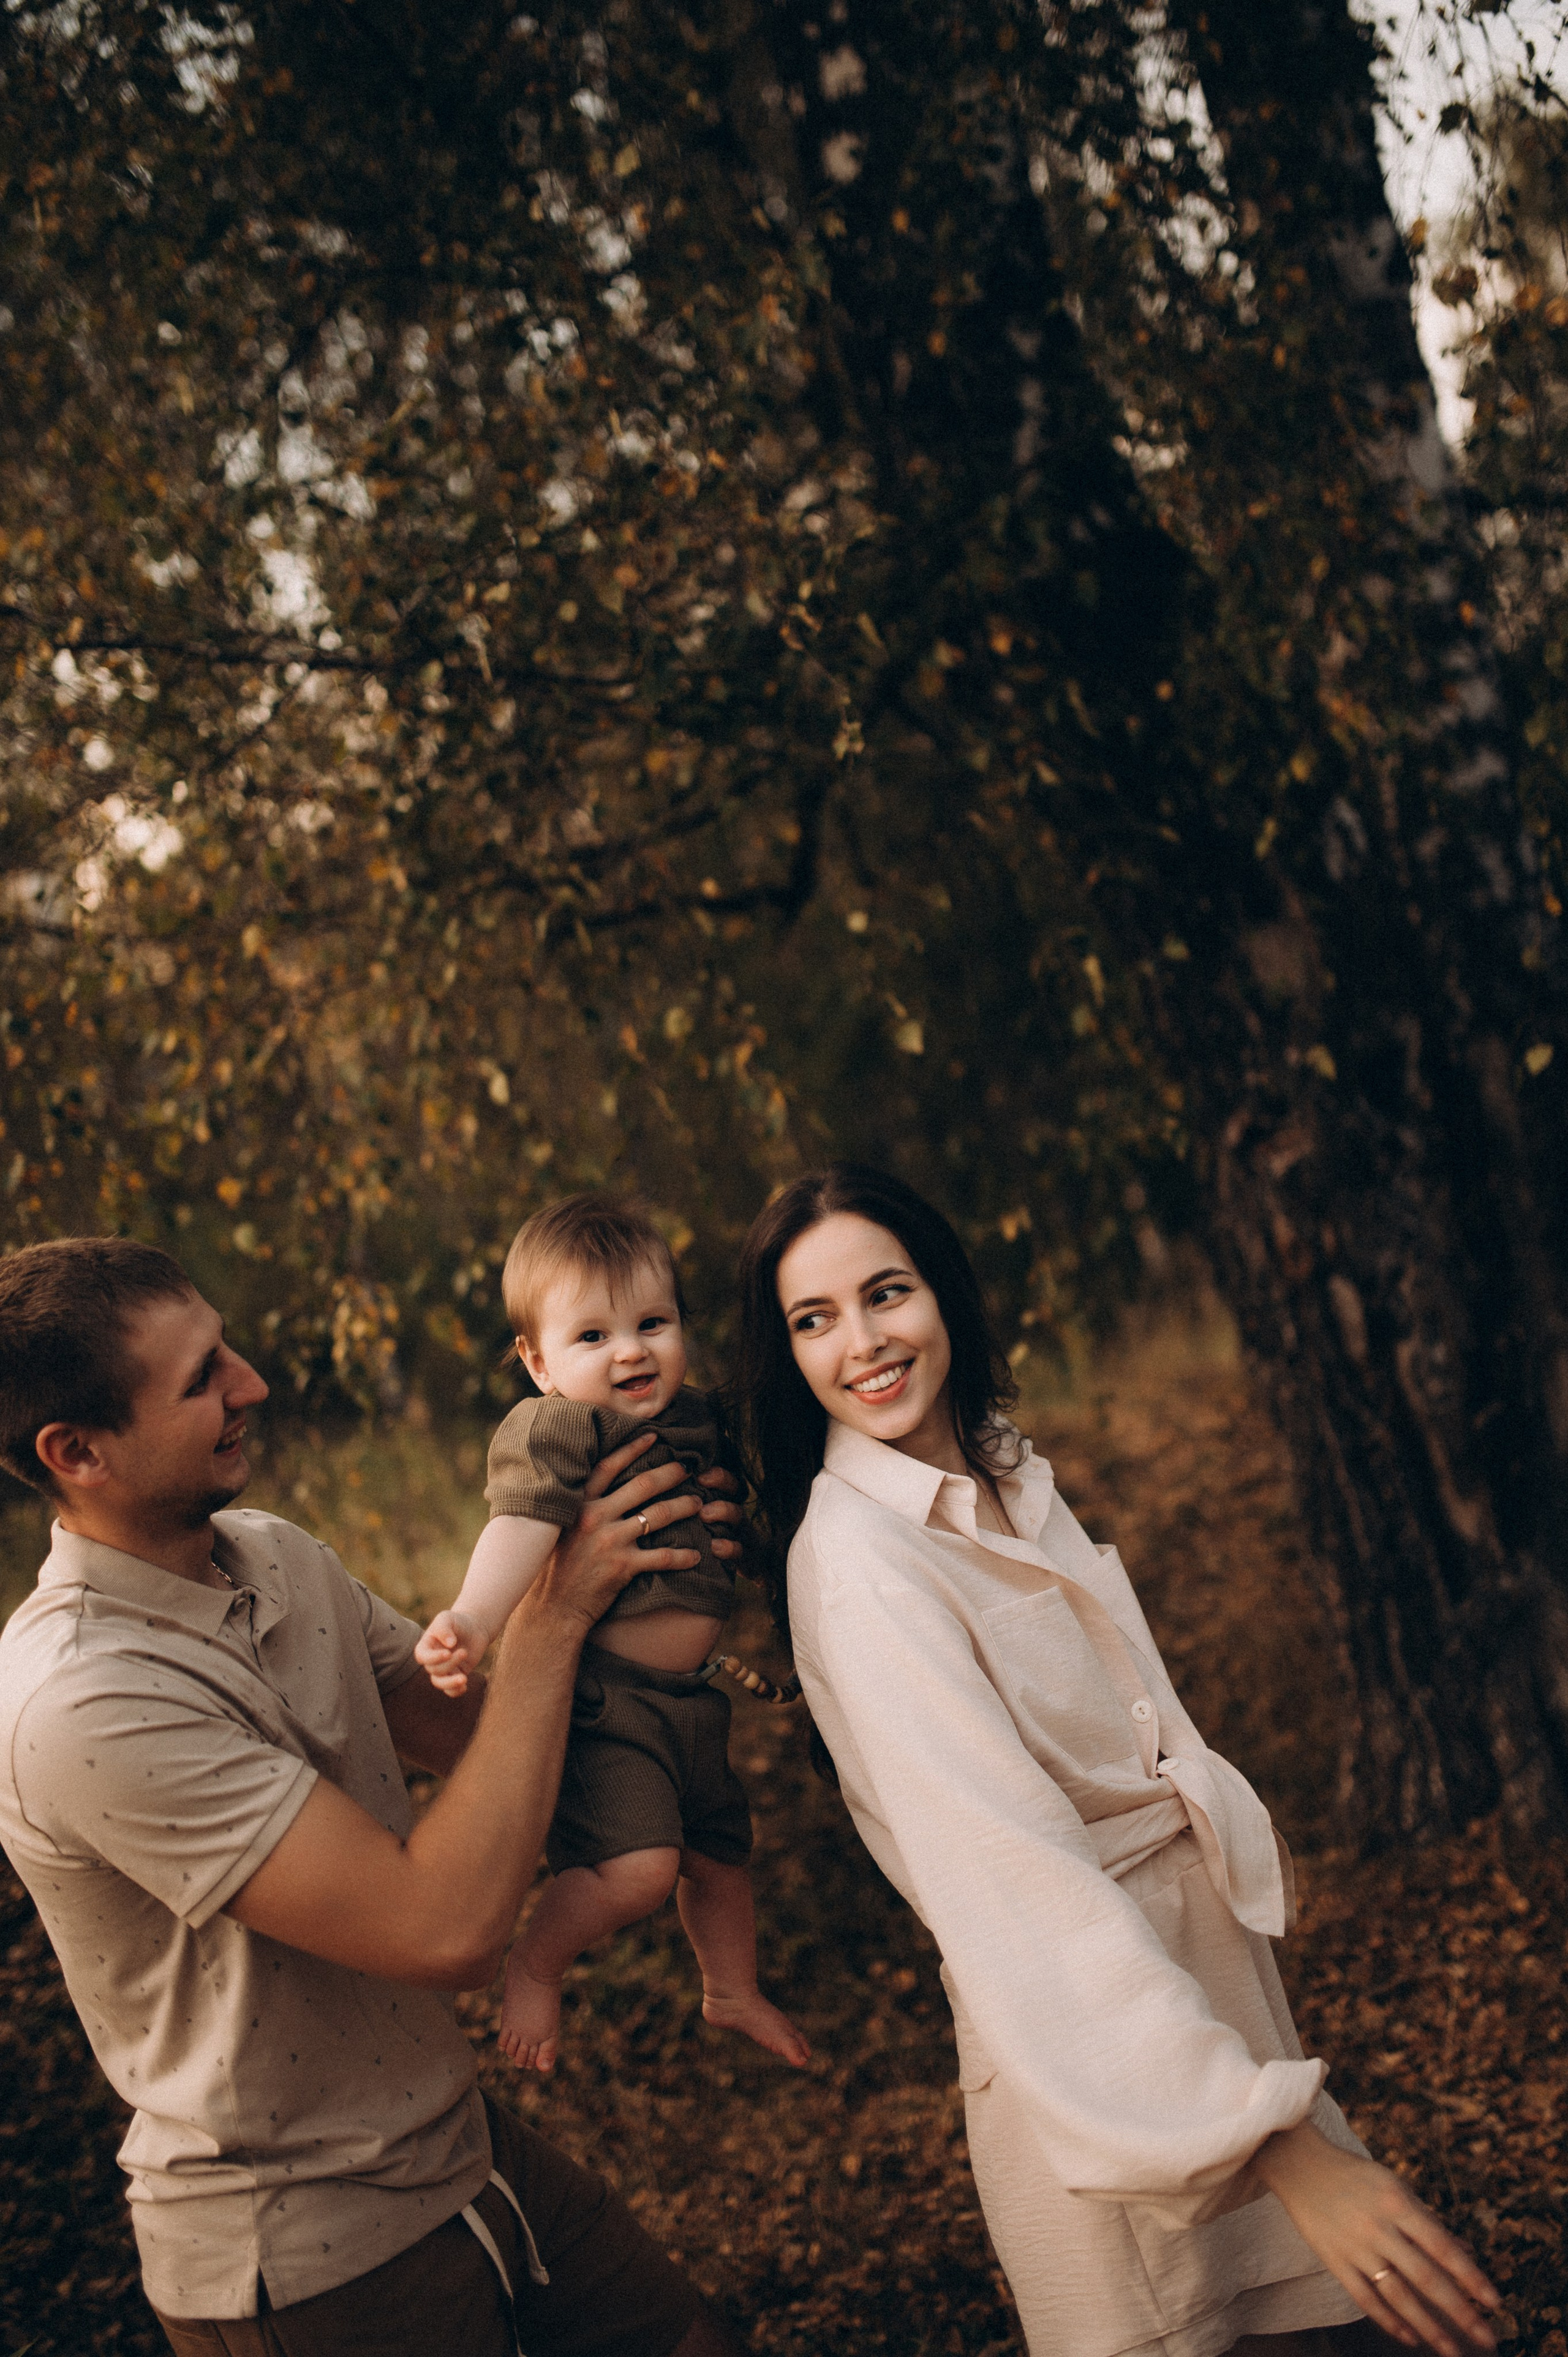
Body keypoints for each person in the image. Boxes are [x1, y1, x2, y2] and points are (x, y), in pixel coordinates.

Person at [730, 1164, 1502, 2357]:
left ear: (941, 1291)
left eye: (885, 1292)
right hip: (1101, 2069)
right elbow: (1018, 1891)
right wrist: (1282, 2144)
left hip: (1211, 2008)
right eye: (812, 1319)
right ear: (783, 1356)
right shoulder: (862, 1564)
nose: (863, 1342)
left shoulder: (995, 1470)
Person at [0, 1235, 745, 2357]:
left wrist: (671, 1610)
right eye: (202, 1376)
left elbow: (496, 1745)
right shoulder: (84, 1702)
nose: (252, 1382)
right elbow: (444, 1926)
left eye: (227, 1348)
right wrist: (557, 1605)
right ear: (79, 1452)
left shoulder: (274, 1555)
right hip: (312, 2253)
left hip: (463, 2145)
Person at [415, 1194, 809, 2076]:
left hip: (694, 1703)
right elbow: (520, 1522)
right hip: (610, 1706)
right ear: (537, 1361)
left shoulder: (700, 1416)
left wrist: (739, 1540)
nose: (631, 1350)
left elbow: (725, 1514)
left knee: (720, 1859)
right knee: (639, 1870)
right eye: (592, 1337)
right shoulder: (562, 1426)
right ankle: (537, 1963)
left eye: (653, 1323)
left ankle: (731, 1989)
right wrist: (473, 1619)